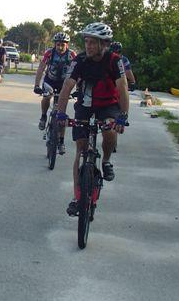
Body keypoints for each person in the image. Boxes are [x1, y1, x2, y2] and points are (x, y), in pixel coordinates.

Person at [55, 22, 129, 216]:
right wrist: (61, 113)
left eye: (93, 42)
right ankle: (77, 197)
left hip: (108, 105)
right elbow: (67, 86)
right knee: (80, 150)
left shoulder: (115, 61)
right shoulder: (79, 61)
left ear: (103, 44)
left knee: (109, 132)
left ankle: (105, 160)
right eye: (86, 41)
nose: (88, 46)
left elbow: (122, 88)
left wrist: (122, 116)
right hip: (85, 105)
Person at [33, 32, 76, 154]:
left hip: (64, 83)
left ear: (67, 45)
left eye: (63, 45)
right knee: (47, 96)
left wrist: (78, 90)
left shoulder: (72, 55)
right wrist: (36, 85)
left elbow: (78, 72)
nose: (60, 47)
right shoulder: (49, 53)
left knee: (62, 114)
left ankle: (61, 142)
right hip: (50, 81)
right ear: (55, 44)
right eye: (58, 44)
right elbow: (41, 68)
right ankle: (43, 116)